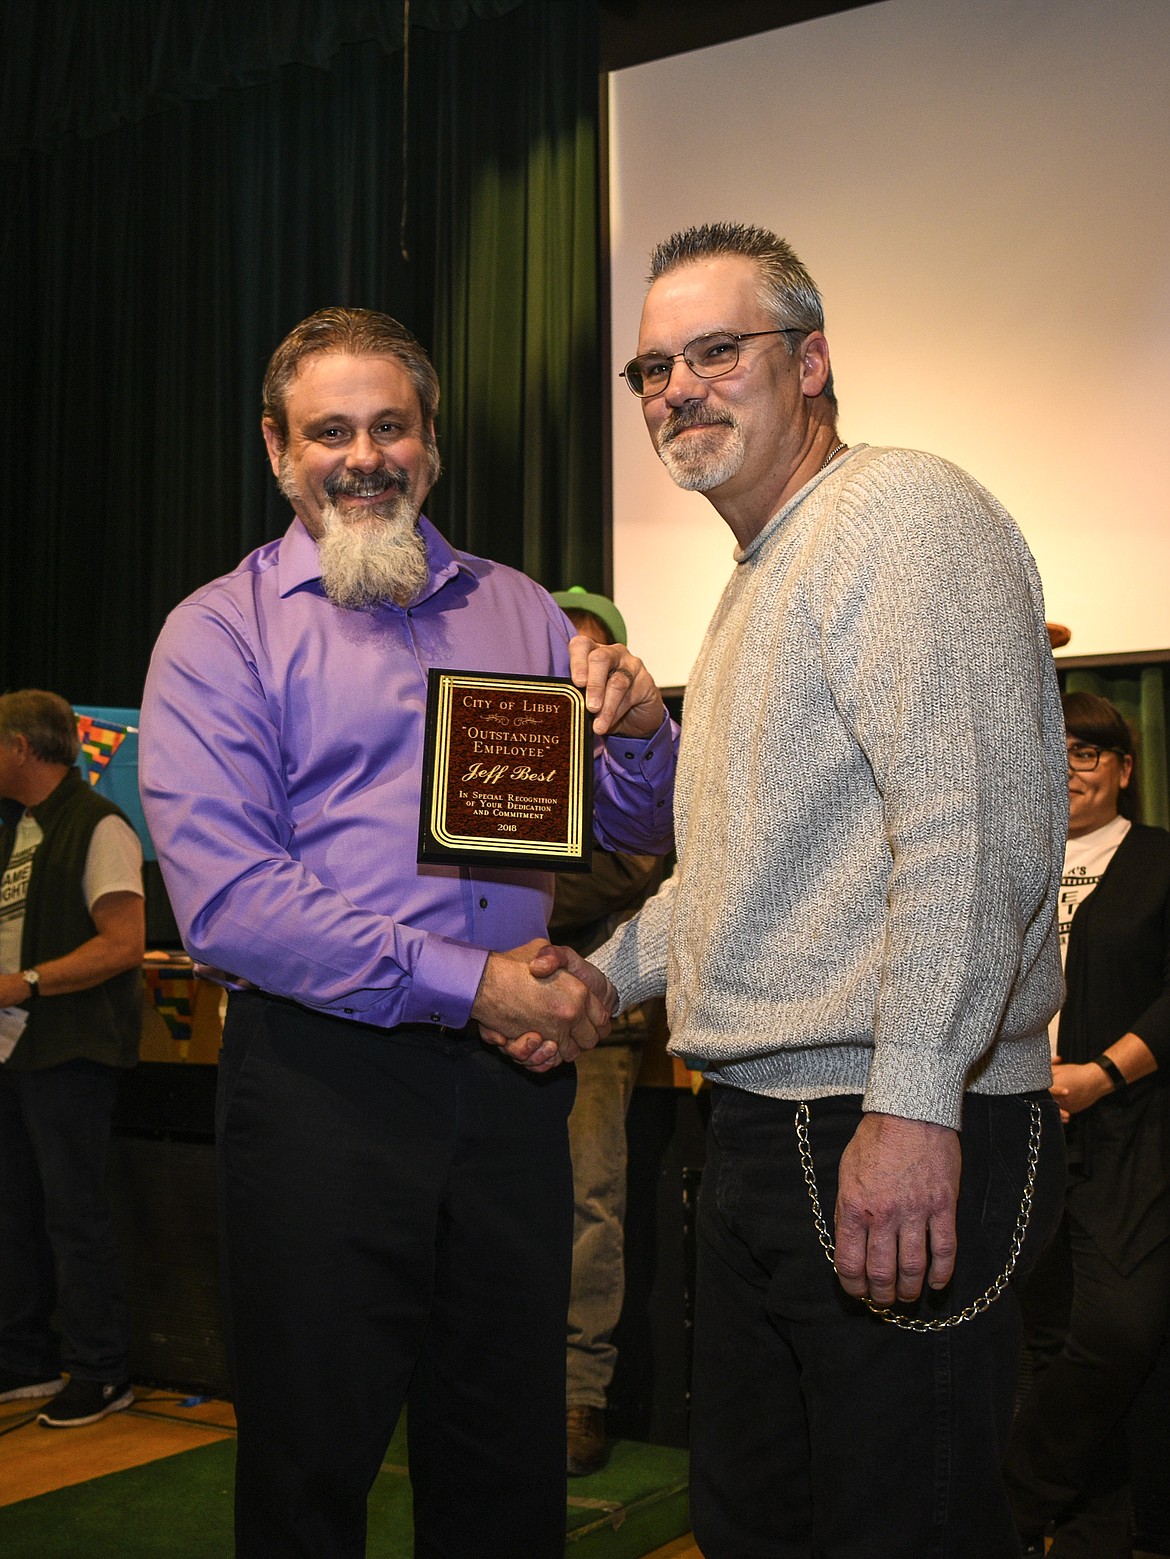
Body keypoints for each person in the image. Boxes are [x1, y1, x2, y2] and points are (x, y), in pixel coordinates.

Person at [138, 307, 676, 1559]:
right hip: (325, 1086)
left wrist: (644, 729)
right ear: (279, 449)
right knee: (310, 1466)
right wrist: (471, 982)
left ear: (431, 446)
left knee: (504, 1462)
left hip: (510, 1093)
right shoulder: (220, 634)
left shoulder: (528, 613)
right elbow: (229, 901)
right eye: (331, 431)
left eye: (391, 426)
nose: (364, 454)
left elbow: (631, 825)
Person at [575, 222, 1068, 1557]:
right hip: (761, 1125)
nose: (676, 387)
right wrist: (596, 981)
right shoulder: (755, 576)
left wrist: (911, 1098)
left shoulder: (896, 514)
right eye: (650, 368)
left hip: (879, 1113)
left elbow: (973, 835)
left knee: (897, 1524)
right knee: (762, 1523)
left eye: (714, 349)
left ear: (811, 360)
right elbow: (736, 874)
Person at [1006, 691, 1170, 1558]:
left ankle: (1010, 1502)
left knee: (1122, 1328)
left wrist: (1104, 1074)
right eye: (1056, 747)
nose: (1071, 766)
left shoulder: (1158, 861)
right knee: (1046, 1334)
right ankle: (1092, 1530)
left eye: (1090, 751)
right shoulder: (1013, 862)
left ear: (1124, 770)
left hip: (1131, 1127)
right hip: (1018, 1126)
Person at [0, 689, 144, 1428]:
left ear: (23, 746)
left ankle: (100, 1369)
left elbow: (123, 944)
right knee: (16, 1212)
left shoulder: (99, 824)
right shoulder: (20, 829)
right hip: (18, 1048)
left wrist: (23, 981)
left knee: (74, 1214)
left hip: (73, 1047)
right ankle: (23, 1357)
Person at [550, 587, 667, 1477]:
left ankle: (578, 1398)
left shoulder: (630, 751)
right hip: (484, 1011)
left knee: (592, 1208)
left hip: (593, 1016)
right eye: (558, 647)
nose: (574, 664)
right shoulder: (501, 738)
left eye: (591, 651)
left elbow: (633, 865)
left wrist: (504, 891)